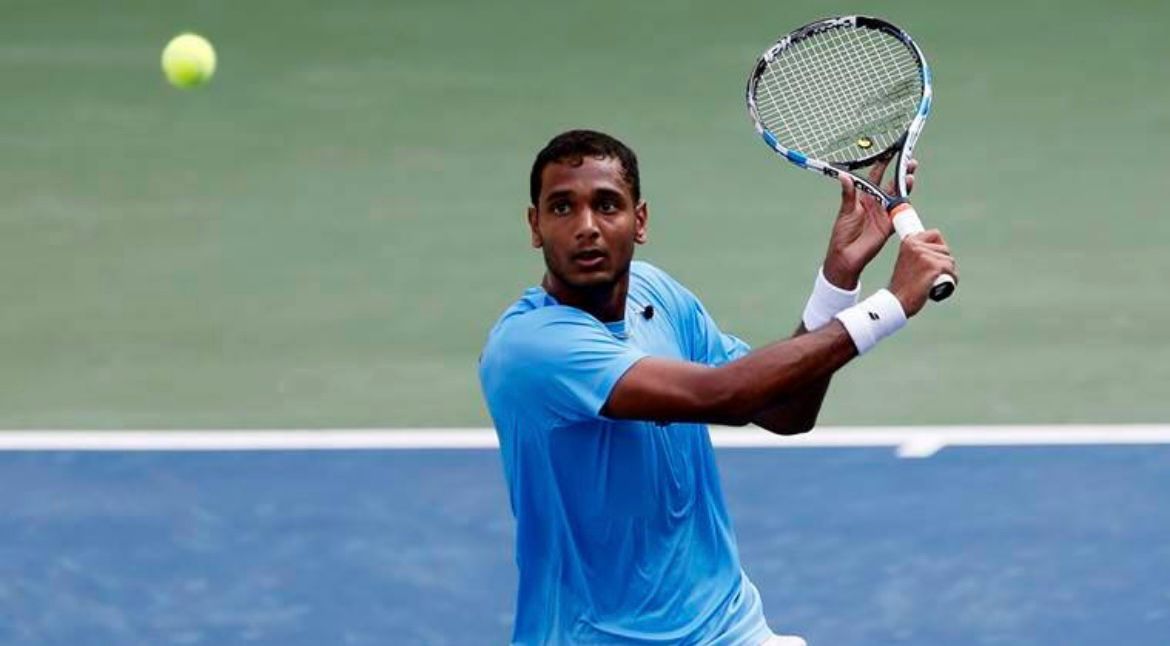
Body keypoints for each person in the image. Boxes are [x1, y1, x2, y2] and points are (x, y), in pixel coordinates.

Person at [478, 130, 957, 645]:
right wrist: (890, 305)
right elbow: (724, 396)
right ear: (535, 226)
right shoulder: (530, 347)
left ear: (640, 221)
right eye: (562, 208)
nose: (587, 226)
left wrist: (838, 279)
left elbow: (786, 412)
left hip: (730, 629)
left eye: (607, 205)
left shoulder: (657, 294)